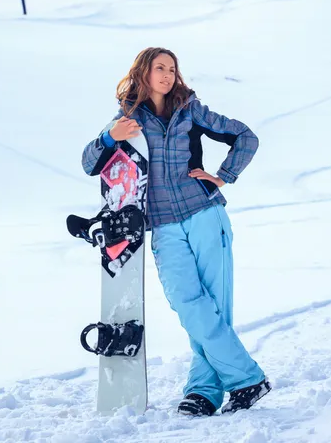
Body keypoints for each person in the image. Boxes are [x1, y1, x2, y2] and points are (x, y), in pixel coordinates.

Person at [82, 47, 271, 416]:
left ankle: (203, 391)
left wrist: (223, 176)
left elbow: (246, 137)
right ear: (143, 73)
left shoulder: (191, 111)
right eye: (160, 68)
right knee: (187, 303)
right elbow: (90, 162)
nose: (168, 75)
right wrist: (110, 138)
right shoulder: (128, 119)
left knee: (214, 306)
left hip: (204, 214)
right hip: (164, 226)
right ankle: (247, 378)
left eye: (172, 69)